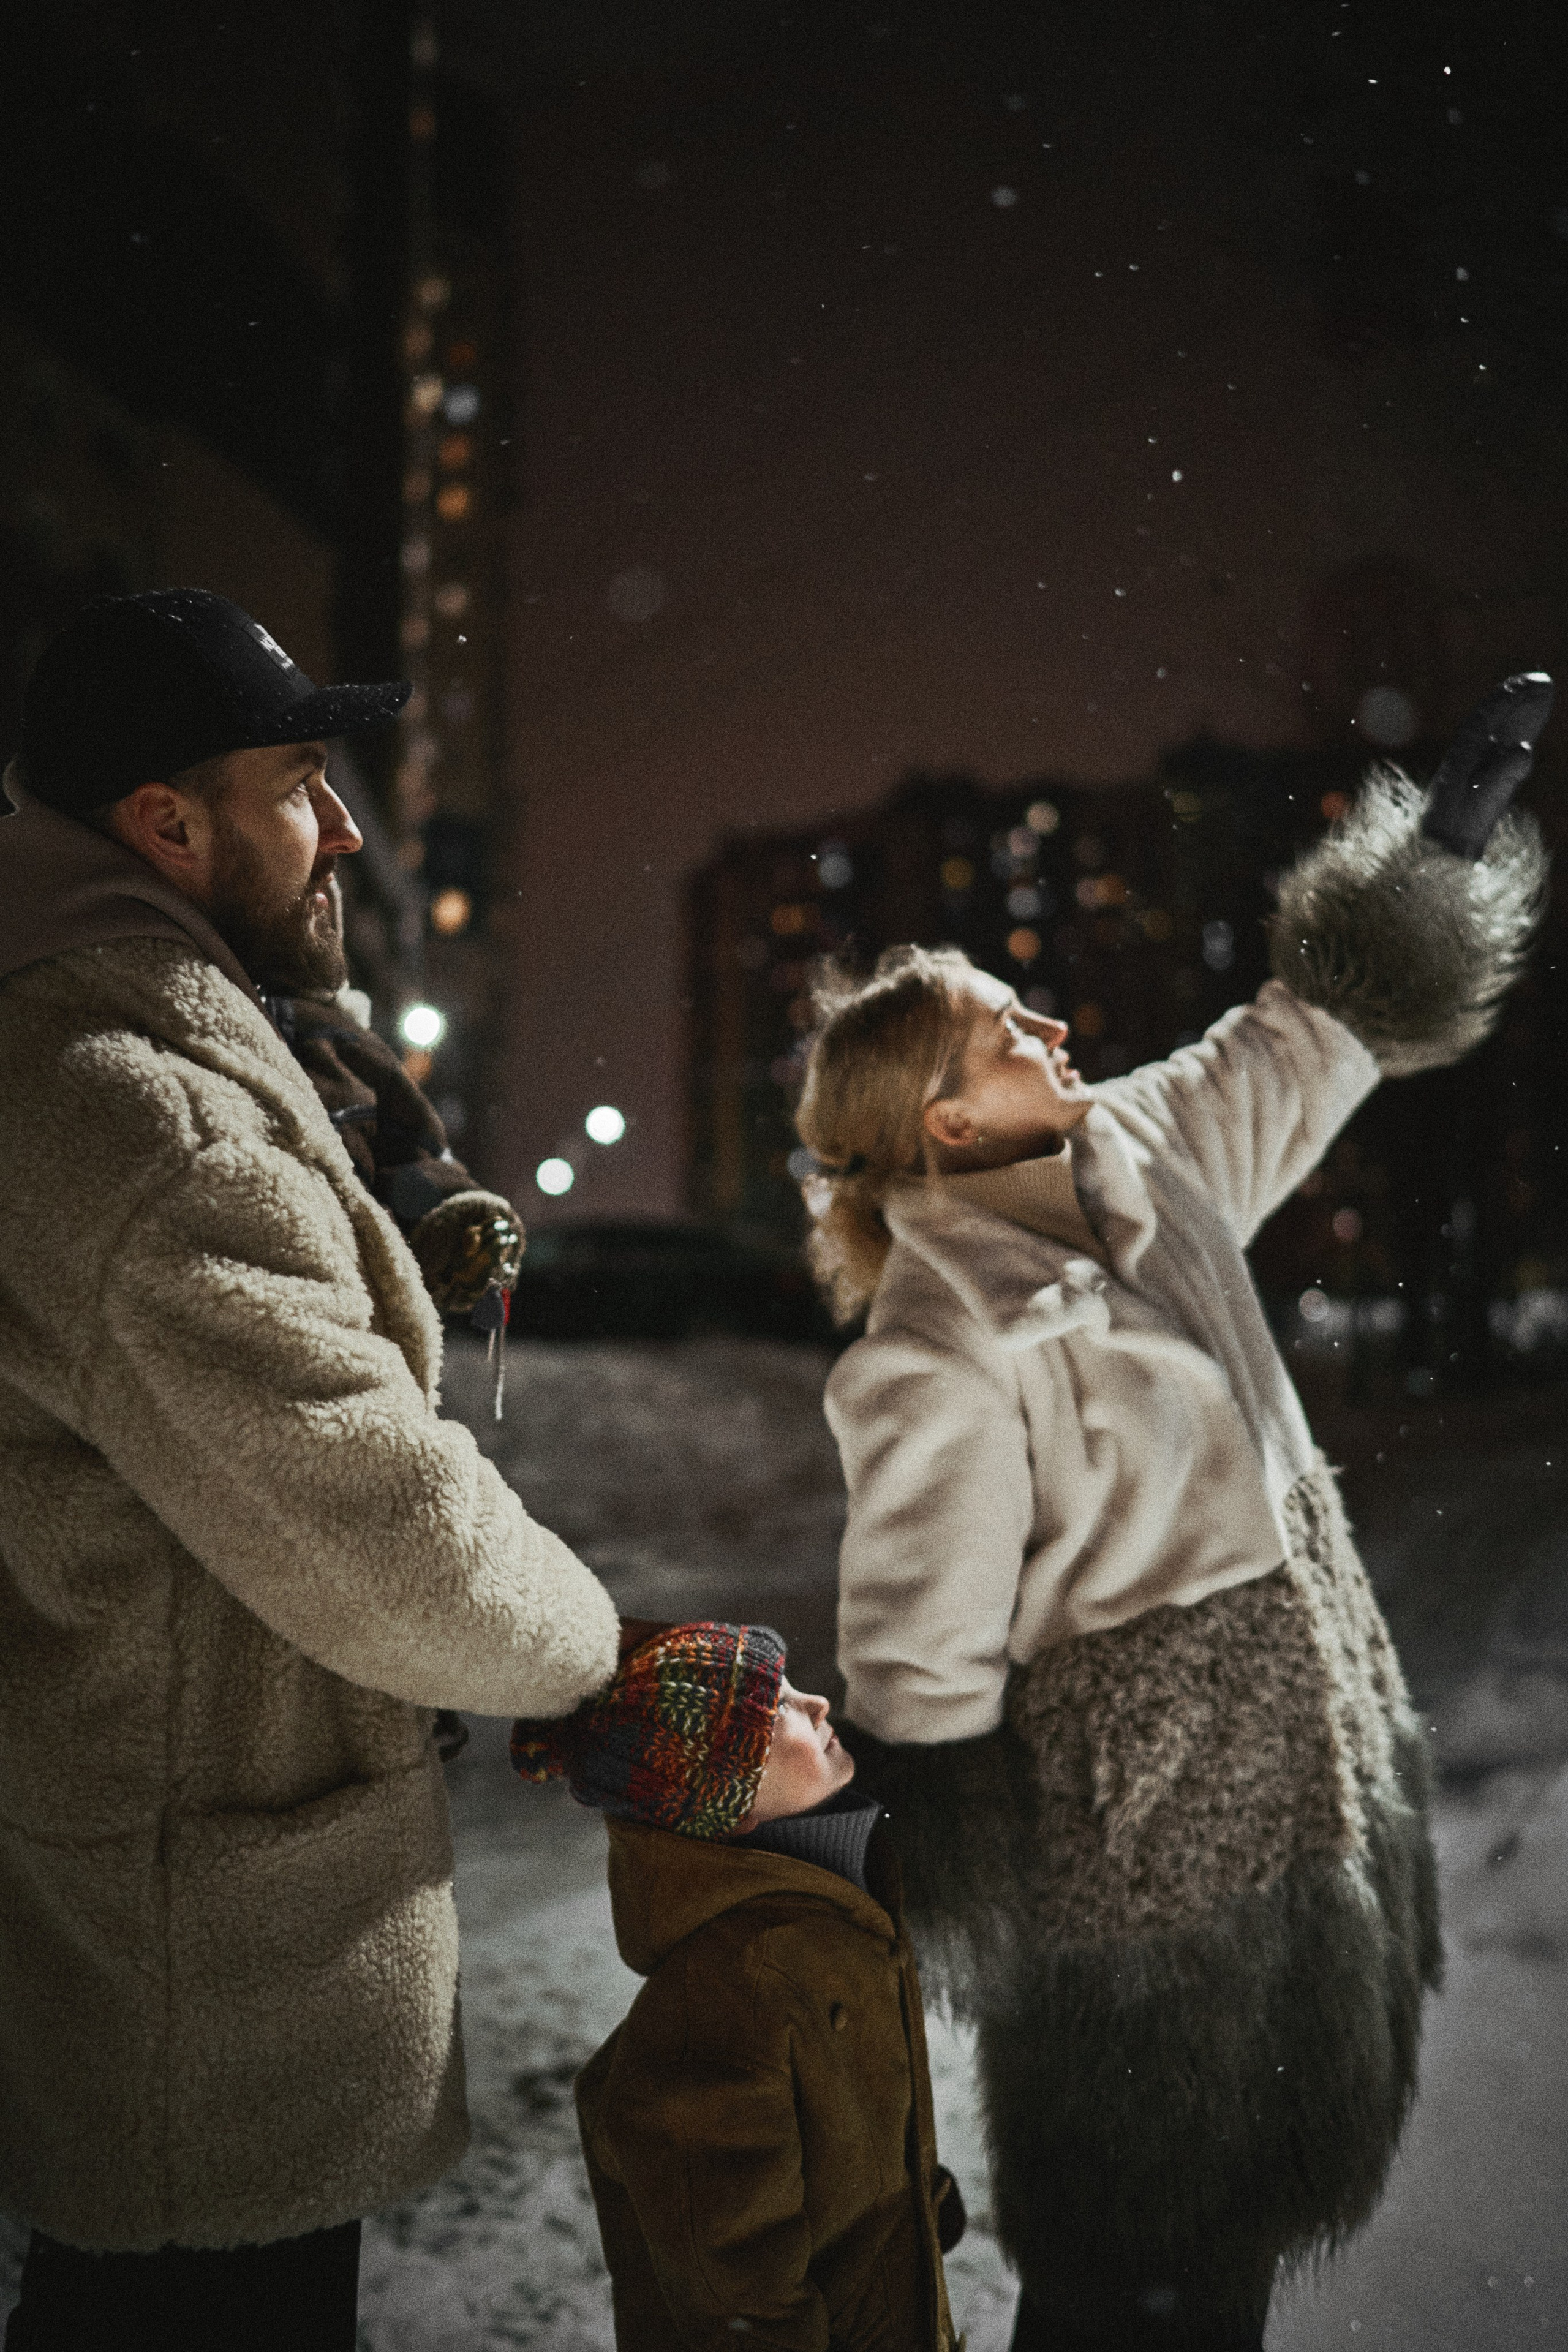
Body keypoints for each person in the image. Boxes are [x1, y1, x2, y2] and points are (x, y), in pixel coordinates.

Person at [792, 677, 1553, 2351]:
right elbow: (921, 1670)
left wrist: (1433, 859)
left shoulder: (1144, 1152)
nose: (1055, 1034)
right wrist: (887, 1853)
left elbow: (1305, 1037)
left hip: (1312, 1785)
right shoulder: (935, 1345)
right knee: (1139, 2289)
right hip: (1149, 1875)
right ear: (942, 1118)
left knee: (1228, 2268)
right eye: (1010, 1032)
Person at [0, 590, 621, 2350]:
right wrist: (599, 1652)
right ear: (166, 825)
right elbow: (380, 1527)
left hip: (169, 1882)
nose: (342, 825)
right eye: (299, 780)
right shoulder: (141, 1102)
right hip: (210, 1952)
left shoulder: (116, 1038)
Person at [512, 1620, 967, 2351]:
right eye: (776, 1709)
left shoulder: (839, 1906)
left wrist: (910, 2204)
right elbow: (734, 2294)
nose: (819, 1703)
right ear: (721, 1800)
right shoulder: (733, 1989)